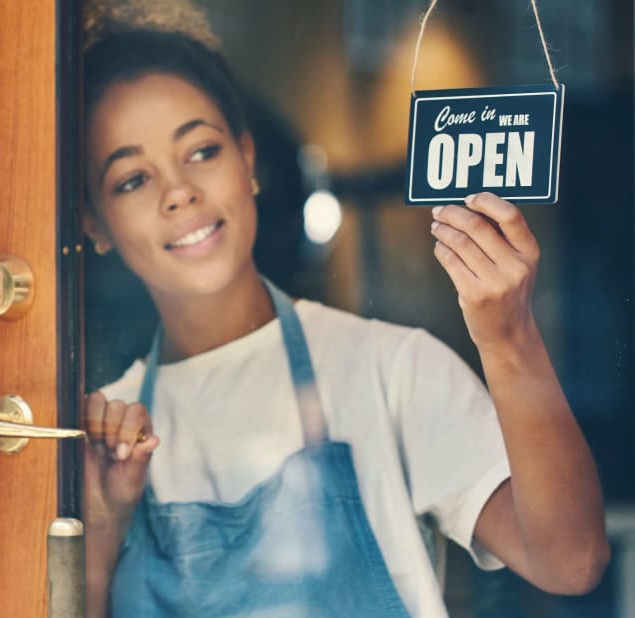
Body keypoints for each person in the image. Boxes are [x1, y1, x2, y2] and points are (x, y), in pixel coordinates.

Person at [79, 26, 610, 618]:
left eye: (202, 151)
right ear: (94, 225)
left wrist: (510, 336)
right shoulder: (104, 441)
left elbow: (572, 562)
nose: (177, 192)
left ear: (248, 160)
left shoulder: (389, 368)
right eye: (131, 179)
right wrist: (100, 527)